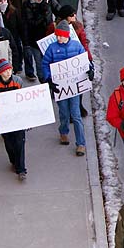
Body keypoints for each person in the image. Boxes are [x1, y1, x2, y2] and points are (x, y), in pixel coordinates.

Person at [43, 21, 88, 156]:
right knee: (63, 112)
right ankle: (63, 132)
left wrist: (89, 70)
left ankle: (81, 144)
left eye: (61, 36)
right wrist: (49, 79)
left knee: (76, 114)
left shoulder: (76, 46)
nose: (58, 39)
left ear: (67, 35)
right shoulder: (52, 48)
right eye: (57, 36)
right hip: (60, 87)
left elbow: (84, 61)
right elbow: (45, 64)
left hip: (74, 87)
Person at [0, 59, 27, 180]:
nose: (9, 72)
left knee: (20, 143)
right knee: (9, 143)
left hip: (17, 118)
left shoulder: (18, 81)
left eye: (9, 69)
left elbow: (26, 100)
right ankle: (14, 161)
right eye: (5, 71)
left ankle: (21, 170)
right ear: (0, 73)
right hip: (4, 120)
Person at [20, 0, 51, 81]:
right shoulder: (27, 6)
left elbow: (58, 9)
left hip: (48, 37)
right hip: (35, 39)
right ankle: (42, 80)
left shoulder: (48, 0)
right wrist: (42, 15)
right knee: (39, 62)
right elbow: (30, 23)